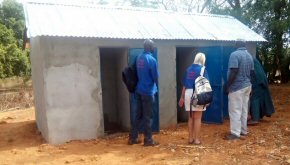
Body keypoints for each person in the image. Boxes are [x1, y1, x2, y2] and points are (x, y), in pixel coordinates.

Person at [128, 39, 159, 146]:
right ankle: (148, 140)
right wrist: (156, 88)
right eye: (153, 46)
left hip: (138, 90)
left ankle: (133, 138)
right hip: (148, 92)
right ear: (150, 47)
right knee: (148, 116)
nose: (154, 47)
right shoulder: (152, 60)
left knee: (137, 115)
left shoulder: (139, 57)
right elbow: (155, 77)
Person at [224, 39, 254, 140]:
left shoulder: (234, 54)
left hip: (237, 86)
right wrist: (251, 85)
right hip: (247, 86)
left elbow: (234, 70)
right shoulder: (249, 56)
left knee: (235, 110)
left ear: (236, 45)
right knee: (244, 109)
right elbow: (252, 73)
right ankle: (243, 130)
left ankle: (235, 134)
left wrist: (227, 85)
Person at [178, 52, 209, 145]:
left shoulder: (188, 69)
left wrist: (182, 97)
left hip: (188, 93)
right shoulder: (203, 69)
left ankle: (190, 138)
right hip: (198, 93)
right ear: (203, 60)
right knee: (198, 118)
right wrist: (206, 99)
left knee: (191, 117)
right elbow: (205, 85)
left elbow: (184, 85)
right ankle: (196, 140)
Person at [248, 57, 275, 125]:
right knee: (260, 98)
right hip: (262, 81)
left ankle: (255, 119)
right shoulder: (253, 60)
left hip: (258, 81)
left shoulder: (250, 61)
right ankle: (258, 116)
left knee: (254, 98)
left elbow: (252, 73)